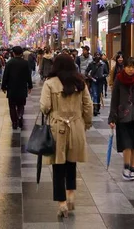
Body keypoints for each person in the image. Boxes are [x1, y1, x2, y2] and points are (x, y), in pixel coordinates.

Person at [40, 54, 93, 218]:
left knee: (58, 165)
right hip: (76, 126)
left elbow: (45, 106)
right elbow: (88, 106)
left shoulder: (49, 83)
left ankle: (61, 202)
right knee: (72, 162)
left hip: (57, 127)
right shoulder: (80, 83)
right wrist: (87, 123)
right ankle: (71, 193)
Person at [2, 46, 33, 129]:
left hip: (11, 88)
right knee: (21, 105)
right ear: (21, 53)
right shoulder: (25, 63)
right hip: (22, 88)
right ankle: (20, 116)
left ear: (13, 53)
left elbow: (5, 76)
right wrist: (30, 86)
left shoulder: (9, 63)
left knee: (12, 106)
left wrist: (3, 86)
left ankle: (14, 122)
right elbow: (28, 76)